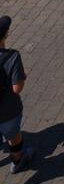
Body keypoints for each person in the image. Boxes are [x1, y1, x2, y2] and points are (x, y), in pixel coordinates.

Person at [0, 15, 33, 171]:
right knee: (13, 136)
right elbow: (16, 89)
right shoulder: (12, 57)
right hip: (8, 111)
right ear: (6, 34)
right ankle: (18, 160)